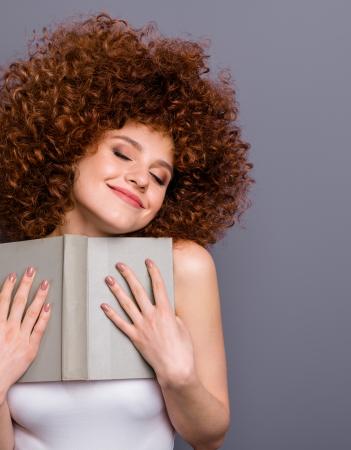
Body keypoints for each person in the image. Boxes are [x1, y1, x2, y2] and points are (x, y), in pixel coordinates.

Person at [0, 12, 253, 450]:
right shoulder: (9, 277)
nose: (141, 179)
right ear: (70, 142)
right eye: (123, 153)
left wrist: (179, 375)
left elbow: (210, 436)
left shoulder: (183, 268)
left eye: (159, 177)